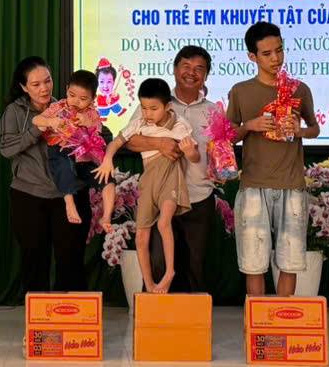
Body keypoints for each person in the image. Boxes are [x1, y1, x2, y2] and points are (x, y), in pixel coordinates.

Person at [226, 24, 320, 299]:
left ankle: (282, 316)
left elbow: (314, 128)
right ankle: (258, 320)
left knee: (290, 260)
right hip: (253, 185)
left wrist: (299, 130)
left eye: (279, 50)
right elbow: (227, 137)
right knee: (254, 262)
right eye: (267, 54)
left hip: (292, 184)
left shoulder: (299, 89)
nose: (275, 58)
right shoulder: (241, 91)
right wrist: (250, 125)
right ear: (252, 57)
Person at [0, 57, 106, 293]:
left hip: (70, 194)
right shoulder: (15, 111)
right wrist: (40, 127)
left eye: (47, 81)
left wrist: (88, 130)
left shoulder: (68, 107)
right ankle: (38, 315)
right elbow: (6, 148)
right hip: (29, 195)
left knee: (71, 260)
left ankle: (72, 313)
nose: (44, 88)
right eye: (36, 84)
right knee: (34, 261)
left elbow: (98, 135)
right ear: (24, 87)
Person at [120, 45, 217, 293]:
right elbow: (129, 140)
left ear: (206, 75)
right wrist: (159, 143)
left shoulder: (214, 111)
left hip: (199, 197)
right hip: (160, 195)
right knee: (158, 264)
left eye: (199, 69)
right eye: (186, 66)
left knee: (196, 269)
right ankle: (155, 317)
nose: (191, 73)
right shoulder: (155, 102)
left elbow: (219, 151)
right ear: (174, 70)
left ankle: (193, 319)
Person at [97, 79, 197, 294]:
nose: (148, 113)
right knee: (141, 235)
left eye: (153, 108)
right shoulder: (139, 123)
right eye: (144, 107)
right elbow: (116, 142)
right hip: (148, 179)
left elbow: (195, 156)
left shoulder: (179, 125)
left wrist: (190, 152)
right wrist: (107, 158)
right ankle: (149, 284)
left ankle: (169, 272)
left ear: (167, 106)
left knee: (163, 222)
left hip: (170, 175)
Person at [36, 70, 105, 225]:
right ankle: (69, 203)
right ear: (67, 89)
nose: (75, 101)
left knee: (102, 175)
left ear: (93, 98)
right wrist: (50, 122)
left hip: (81, 155)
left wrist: (87, 122)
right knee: (63, 165)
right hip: (60, 147)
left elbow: (98, 132)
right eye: (72, 95)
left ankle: (106, 214)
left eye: (83, 99)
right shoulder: (58, 106)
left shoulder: (92, 113)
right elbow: (36, 120)